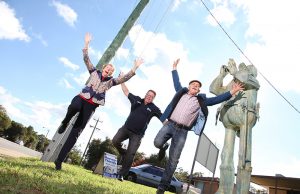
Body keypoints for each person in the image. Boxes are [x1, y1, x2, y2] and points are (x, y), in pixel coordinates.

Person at [54, 33, 143, 170]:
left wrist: (135, 67)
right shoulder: (94, 72)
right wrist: (86, 44)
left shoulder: (111, 82)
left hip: (91, 106)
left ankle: (59, 160)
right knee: (74, 106)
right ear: (104, 68)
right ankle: (65, 122)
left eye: (111, 70)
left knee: (75, 133)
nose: (109, 70)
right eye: (108, 67)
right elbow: (86, 59)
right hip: (82, 98)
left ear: (112, 73)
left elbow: (124, 79)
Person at [154, 58, 244, 194]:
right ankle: (163, 147)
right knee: (157, 142)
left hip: (182, 132)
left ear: (198, 90)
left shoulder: (200, 100)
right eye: (193, 84)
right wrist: (174, 69)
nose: (195, 86)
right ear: (189, 86)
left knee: (173, 161)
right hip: (170, 125)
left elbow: (215, 100)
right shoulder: (181, 92)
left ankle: (162, 188)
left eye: (197, 85)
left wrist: (232, 92)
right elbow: (176, 82)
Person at [112, 81, 162, 181]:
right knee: (115, 141)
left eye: (151, 96)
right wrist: (122, 82)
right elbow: (126, 92)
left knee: (130, 155)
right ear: (146, 94)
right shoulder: (137, 100)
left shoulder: (154, 108)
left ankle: (122, 174)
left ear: (153, 99)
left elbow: (163, 118)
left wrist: (171, 124)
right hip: (125, 128)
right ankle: (122, 152)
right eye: (148, 95)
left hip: (137, 135)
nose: (149, 97)